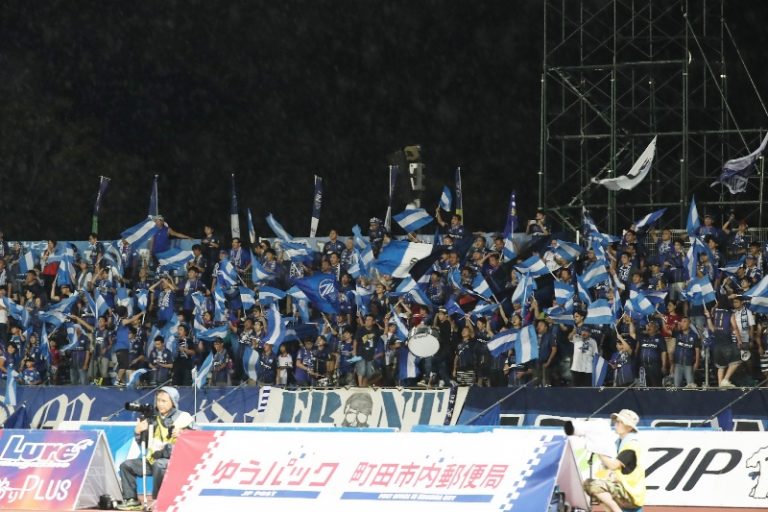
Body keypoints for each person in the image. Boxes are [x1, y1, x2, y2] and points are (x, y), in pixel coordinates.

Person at [117, 387, 194, 510]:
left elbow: (196, 438)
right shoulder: (152, 418)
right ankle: (131, 500)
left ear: (173, 402)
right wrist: (138, 432)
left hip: (174, 461)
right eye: (158, 400)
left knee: (159, 464)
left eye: (164, 401)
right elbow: (145, 444)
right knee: (126, 465)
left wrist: (183, 433)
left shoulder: (183, 417)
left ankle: (159, 500)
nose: (160, 404)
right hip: (152, 460)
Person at [583, 409, 646, 512]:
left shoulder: (632, 444)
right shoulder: (619, 442)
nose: (616, 424)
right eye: (616, 421)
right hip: (623, 488)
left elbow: (613, 465)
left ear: (629, 427)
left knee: (592, 485)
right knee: (598, 486)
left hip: (630, 493)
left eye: (620, 422)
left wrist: (598, 450)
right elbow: (607, 465)